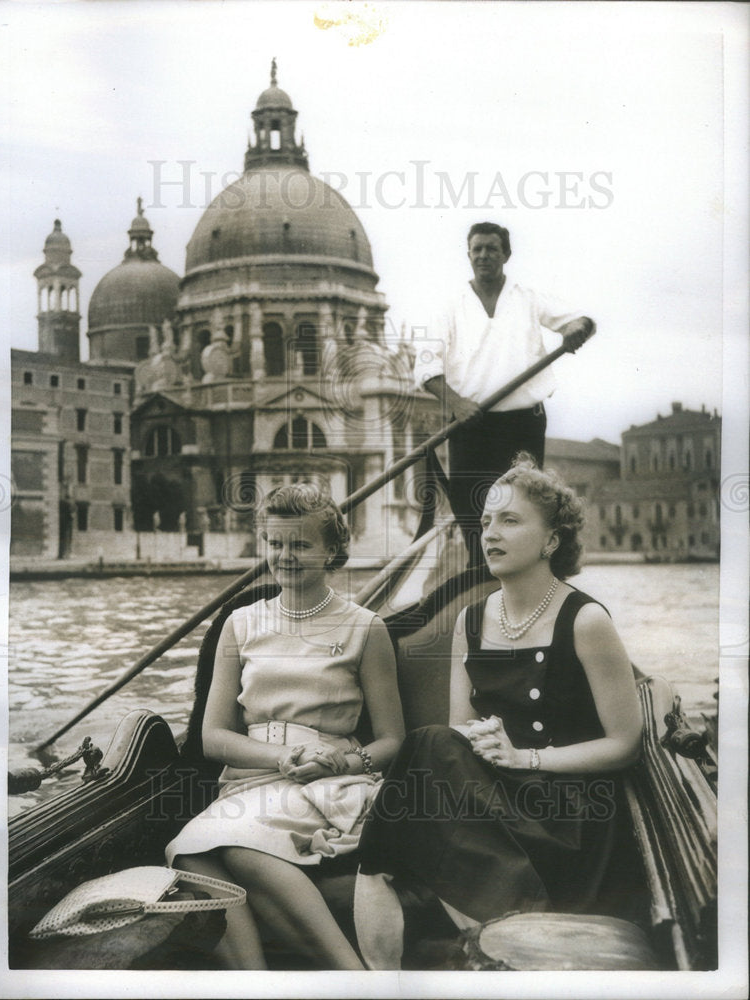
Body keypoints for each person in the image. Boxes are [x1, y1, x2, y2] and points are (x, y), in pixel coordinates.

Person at [354, 454, 642, 969]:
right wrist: (478, 751)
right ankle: (388, 978)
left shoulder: (586, 620)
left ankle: (515, 925)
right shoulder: (470, 619)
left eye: (510, 521)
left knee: (423, 754)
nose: (491, 533)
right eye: (486, 521)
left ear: (552, 539)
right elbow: (460, 733)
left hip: (567, 812)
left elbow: (624, 743)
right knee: (429, 750)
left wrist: (526, 760)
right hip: (496, 801)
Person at [165, 483, 405, 969]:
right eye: (275, 544)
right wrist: (278, 758)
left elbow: (393, 741)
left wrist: (339, 760)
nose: (285, 556)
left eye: (300, 545)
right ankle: (257, 984)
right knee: (189, 857)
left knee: (235, 849)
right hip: (252, 777)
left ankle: (354, 977)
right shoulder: (239, 623)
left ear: (332, 550)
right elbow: (212, 737)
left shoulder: (365, 628)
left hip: (328, 779)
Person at [416, 222, 596, 567]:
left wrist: (575, 331)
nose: (484, 255)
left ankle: (526, 576)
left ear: (506, 255)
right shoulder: (450, 306)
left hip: (523, 424)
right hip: (470, 424)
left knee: (523, 505)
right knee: (472, 510)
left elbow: (580, 322)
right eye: (477, 249)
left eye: (491, 249)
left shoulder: (528, 298)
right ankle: (479, 582)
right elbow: (425, 367)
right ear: (468, 254)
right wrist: (456, 404)